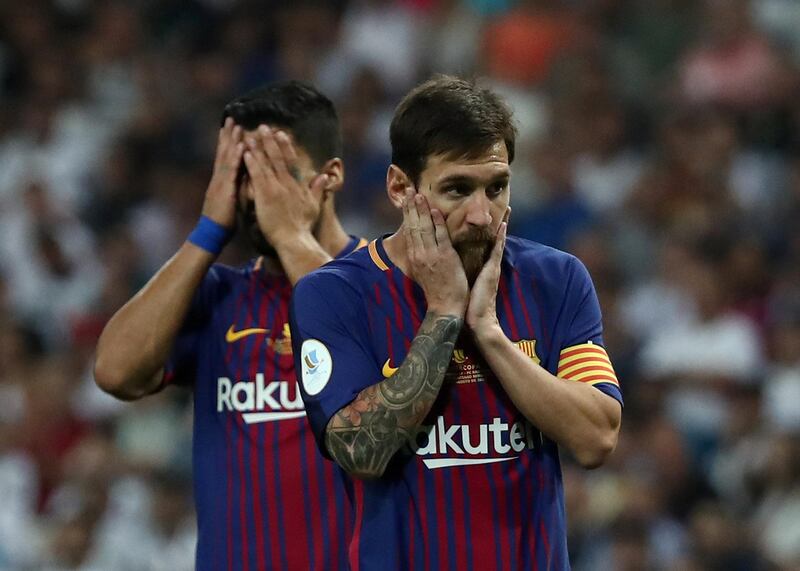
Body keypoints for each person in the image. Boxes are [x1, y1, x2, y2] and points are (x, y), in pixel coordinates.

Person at [290, 76, 623, 569]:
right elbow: (359, 450)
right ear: (401, 187)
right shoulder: (335, 294)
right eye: (457, 189)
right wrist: (444, 314)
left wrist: (488, 332)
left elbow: (596, 438)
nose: (482, 216)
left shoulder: (555, 280)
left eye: (497, 187)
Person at [95, 81, 358, 570]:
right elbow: (114, 371)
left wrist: (293, 238)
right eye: (242, 176)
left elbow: (372, 364)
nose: (256, 196)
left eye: (277, 173)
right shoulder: (218, 295)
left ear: (332, 175)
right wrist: (206, 232)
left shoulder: (384, 280)